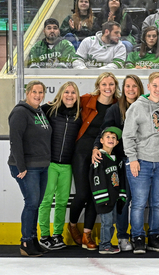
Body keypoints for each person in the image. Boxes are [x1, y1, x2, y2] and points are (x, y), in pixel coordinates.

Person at [91, 74, 144, 253]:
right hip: (122, 161)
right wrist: (96, 148)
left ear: (140, 88)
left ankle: (139, 236)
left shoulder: (145, 106)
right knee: (124, 199)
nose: (131, 89)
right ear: (123, 88)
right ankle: (122, 237)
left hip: (143, 159)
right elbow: (104, 131)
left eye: (134, 86)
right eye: (127, 86)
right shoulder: (115, 109)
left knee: (140, 201)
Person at [68, 73, 119, 251]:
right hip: (82, 151)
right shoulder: (87, 100)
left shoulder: (117, 105)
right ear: (98, 86)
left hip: (102, 154)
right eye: (104, 84)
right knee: (82, 194)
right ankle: (72, 225)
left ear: (115, 86)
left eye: (111, 84)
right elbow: (66, 102)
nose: (107, 87)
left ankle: (87, 234)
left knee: (95, 195)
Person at [123, 72, 159, 254]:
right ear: (148, 87)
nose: (158, 88)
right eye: (154, 85)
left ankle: (154, 237)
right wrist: (132, 159)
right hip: (141, 161)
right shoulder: (137, 107)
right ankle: (137, 238)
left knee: (157, 203)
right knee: (139, 203)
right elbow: (127, 135)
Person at [9, 81, 51, 257]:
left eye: (41, 92)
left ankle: (33, 239)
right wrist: (21, 166)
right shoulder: (20, 112)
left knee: (36, 204)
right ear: (27, 93)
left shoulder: (40, 112)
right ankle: (26, 241)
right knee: (31, 203)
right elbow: (15, 140)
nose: (38, 95)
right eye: (34, 92)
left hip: (42, 166)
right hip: (26, 167)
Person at [37, 82, 80, 252]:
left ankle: (57, 235)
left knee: (62, 202)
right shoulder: (49, 110)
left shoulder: (79, 114)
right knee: (46, 200)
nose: (70, 95)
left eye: (73, 93)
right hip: (50, 164)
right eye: (66, 92)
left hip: (67, 165)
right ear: (61, 94)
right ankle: (44, 236)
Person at [92, 127, 128, 255]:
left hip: (114, 198)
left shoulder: (116, 159)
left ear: (117, 142)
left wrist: (121, 196)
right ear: (101, 140)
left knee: (111, 222)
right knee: (106, 222)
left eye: (114, 138)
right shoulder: (99, 157)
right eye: (107, 137)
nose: (111, 139)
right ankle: (104, 245)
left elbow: (120, 179)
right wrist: (102, 198)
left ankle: (107, 243)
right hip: (105, 198)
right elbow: (96, 179)